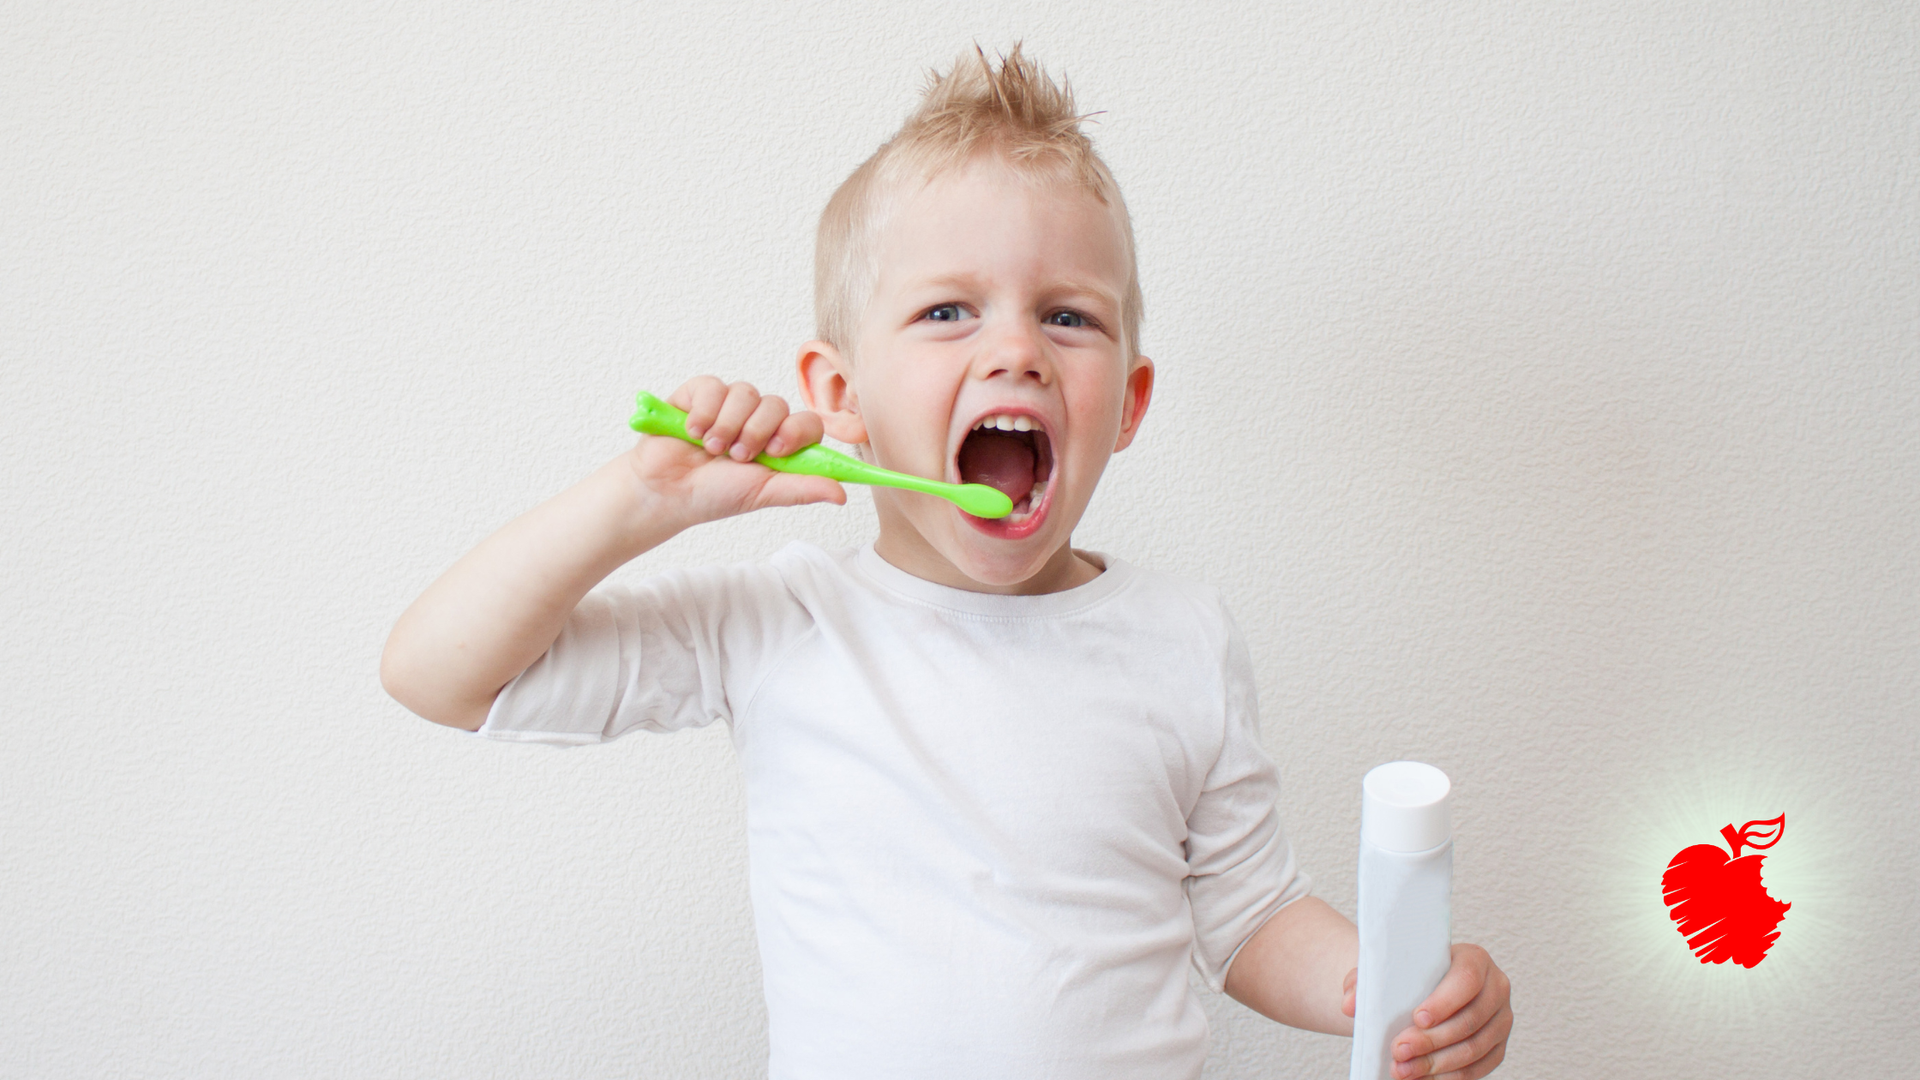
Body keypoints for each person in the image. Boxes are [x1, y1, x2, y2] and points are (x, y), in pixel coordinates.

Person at [381, 45, 1512, 1080]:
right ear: (841, 398)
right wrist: (641, 501)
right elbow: (439, 674)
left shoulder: (1184, 638)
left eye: (1068, 318)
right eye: (947, 311)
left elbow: (1252, 917)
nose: (1016, 349)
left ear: (1129, 401)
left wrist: (1395, 992)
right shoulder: (781, 618)